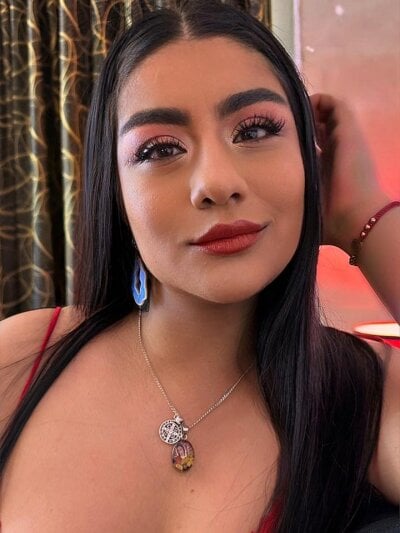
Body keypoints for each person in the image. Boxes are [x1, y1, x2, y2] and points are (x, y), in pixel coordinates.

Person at [0, 1, 399, 531]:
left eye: (254, 130)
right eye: (160, 149)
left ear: (308, 157)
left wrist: (363, 213)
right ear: (115, 191)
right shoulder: (20, 361)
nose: (216, 182)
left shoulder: (365, 392)